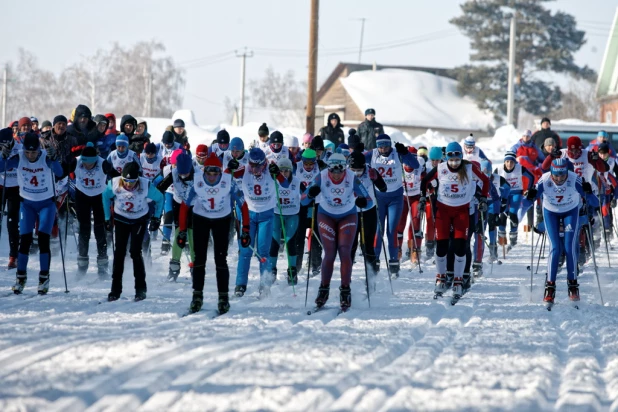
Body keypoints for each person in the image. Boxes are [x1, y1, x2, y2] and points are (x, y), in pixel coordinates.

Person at [177, 153, 250, 314]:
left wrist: (245, 230)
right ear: (203, 172)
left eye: (215, 173)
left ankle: (223, 297)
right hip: (201, 218)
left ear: (220, 172)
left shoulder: (228, 181)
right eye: (208, 174)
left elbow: (243, 204)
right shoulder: (196, 181)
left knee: (220, 259)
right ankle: (197, 295)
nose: (211, 177)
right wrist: (182, 231)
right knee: (199, 258)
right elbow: (184, 206)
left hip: (222, 219)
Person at [420, 142, 489, 300]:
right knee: (442, 246)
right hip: (443, 211)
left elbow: (485, 180)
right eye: (451, 159)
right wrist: (423, 197)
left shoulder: (469, 167)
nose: (454, 163)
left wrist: (484, 198)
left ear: (461, 157)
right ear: (447, 158)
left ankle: (458, 280)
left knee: (459, 246)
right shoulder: (441, 168)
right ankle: (441, 278)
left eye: (457, 159)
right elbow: (424, 181)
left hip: (461, 211)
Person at [302, 153, 372, 310]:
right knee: (329, 253)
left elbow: (369, 201)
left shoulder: (352, 177)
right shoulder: (321, 176)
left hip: (347, 216)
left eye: (339, 171)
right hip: (326, 215)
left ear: (344, 169)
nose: (335, 175)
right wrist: (311, 193)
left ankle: (345, 290)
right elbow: (303, 199)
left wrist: (362, 201)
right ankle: (324, 289)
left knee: (345, 251)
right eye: (332, 171)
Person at [0, 133, 63, 294]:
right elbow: (2, 167)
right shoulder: (20, 157)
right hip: (26, 204)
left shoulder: (45, 157)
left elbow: (60, 172)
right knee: (25, 241)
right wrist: (3, 155)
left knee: (43, 239)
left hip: (46, 204)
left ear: (38, 149)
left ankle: (43, 278)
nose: (30, 155)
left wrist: (54, 158)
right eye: (28, 152)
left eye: (33, 152)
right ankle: (20, 277)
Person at [525, 158, 585, 306]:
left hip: (570, 211)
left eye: (562, 175)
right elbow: (527, 201)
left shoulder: (574, 179)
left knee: (569, 247)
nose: (559, 179)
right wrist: (530, 195)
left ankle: (573, 286)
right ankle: (550, 288)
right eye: (556, 175)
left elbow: (594, 200)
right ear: (551, 173)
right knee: (555, 248)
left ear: (567, 173)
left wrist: (588, 190)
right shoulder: (544, 180)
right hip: (550, 212)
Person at [102, 161, 164, 301]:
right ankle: (115, 290)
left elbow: (160, 198)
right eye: (126, 181)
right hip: (121, 218)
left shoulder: (146, 185)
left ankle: (140, 289)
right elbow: (105, 197)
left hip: (139, 220)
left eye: (132, 182)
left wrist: (156, 218)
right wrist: (107, 218)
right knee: (119, 253)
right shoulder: (115, 183)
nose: (129, 185)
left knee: (135, 252)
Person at [365, 134, 419, 277]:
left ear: (390, 145)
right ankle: (375, 261)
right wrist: (356, 153)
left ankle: (394, 261)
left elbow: (415, 165)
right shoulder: (372, 154)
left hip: (395, 197)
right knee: (378, 230)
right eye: (380, 146)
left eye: (386, 146)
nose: (383, 149)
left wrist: (405, 153)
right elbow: (356, 161)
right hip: (379, 197)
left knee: (392, 230)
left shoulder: (397, 153)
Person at [235, 147, 282, 298]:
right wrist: (229, 168)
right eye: (252, 165)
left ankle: (265, 285)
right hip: (249, 215)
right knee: (245, 251)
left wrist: (278, 173)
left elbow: (285, 183)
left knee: (263, 252)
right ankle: (240, 285)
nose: (255, 169)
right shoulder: (244, 170)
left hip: (266, 215)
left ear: (265, 163)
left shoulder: (271, 170)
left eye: (258, 166)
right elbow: (225, 176)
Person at [69, 142, 113, 275]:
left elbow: (116, 177)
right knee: (84, 229)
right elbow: (60, 173)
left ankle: (102, 264)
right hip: (82, 196)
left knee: (100, 230)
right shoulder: (76, 162)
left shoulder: (103, 163)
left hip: (99, 197)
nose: (87, 166)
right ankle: (82, 264)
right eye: (85, 163)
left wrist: (115, 191)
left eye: (90, 163)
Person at [156, 151, 195, 280]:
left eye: (186, 173)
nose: (183, 176)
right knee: (179, 233)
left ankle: (196, 266)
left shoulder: (200, 175)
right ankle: (174, 266)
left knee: (192, 234)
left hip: (195, 207)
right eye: (181, 173)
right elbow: (160, 188)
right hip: (178, 204)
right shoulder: (173, 173)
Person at [348, 149, 387, 273]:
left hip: (368, 212)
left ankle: (371, 272)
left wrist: (376, 179)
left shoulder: (371, 171)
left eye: (359, 170)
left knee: (367, 245)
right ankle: (346, 274)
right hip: (351, 213)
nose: (356, 174)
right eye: (353, 171)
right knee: (351, 245)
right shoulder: (345, 173)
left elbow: (383, 188)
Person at [293, 148, 326, 276]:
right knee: (299, 235)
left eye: (311, 163)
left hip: (316, 204)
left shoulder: (321, 167)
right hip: (300, 205)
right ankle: (296, 265)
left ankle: (315, 264)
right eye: (306, 163)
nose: (308, 166)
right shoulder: (296, 167)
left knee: (316, 234)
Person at [269, 158, 301, 284]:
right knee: (275, 242)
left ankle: (292, 271)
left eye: (286, 171)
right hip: (277, 214)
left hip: (292, 214)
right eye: (281, 170)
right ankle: (272, 270)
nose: (283, 173)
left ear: (290, 171)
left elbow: (306, 194)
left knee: (290, 241)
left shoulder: (297, 181)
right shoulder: (273, 180)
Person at [397, 147, 425, 263]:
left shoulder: (420, 165)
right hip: (402, 197)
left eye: (413, 158)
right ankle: (398, 250)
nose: (410, 162)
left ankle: (414, 250)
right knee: (400, 224)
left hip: (416, 197)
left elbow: (425, 179)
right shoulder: (399, 166)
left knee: (415, 222)